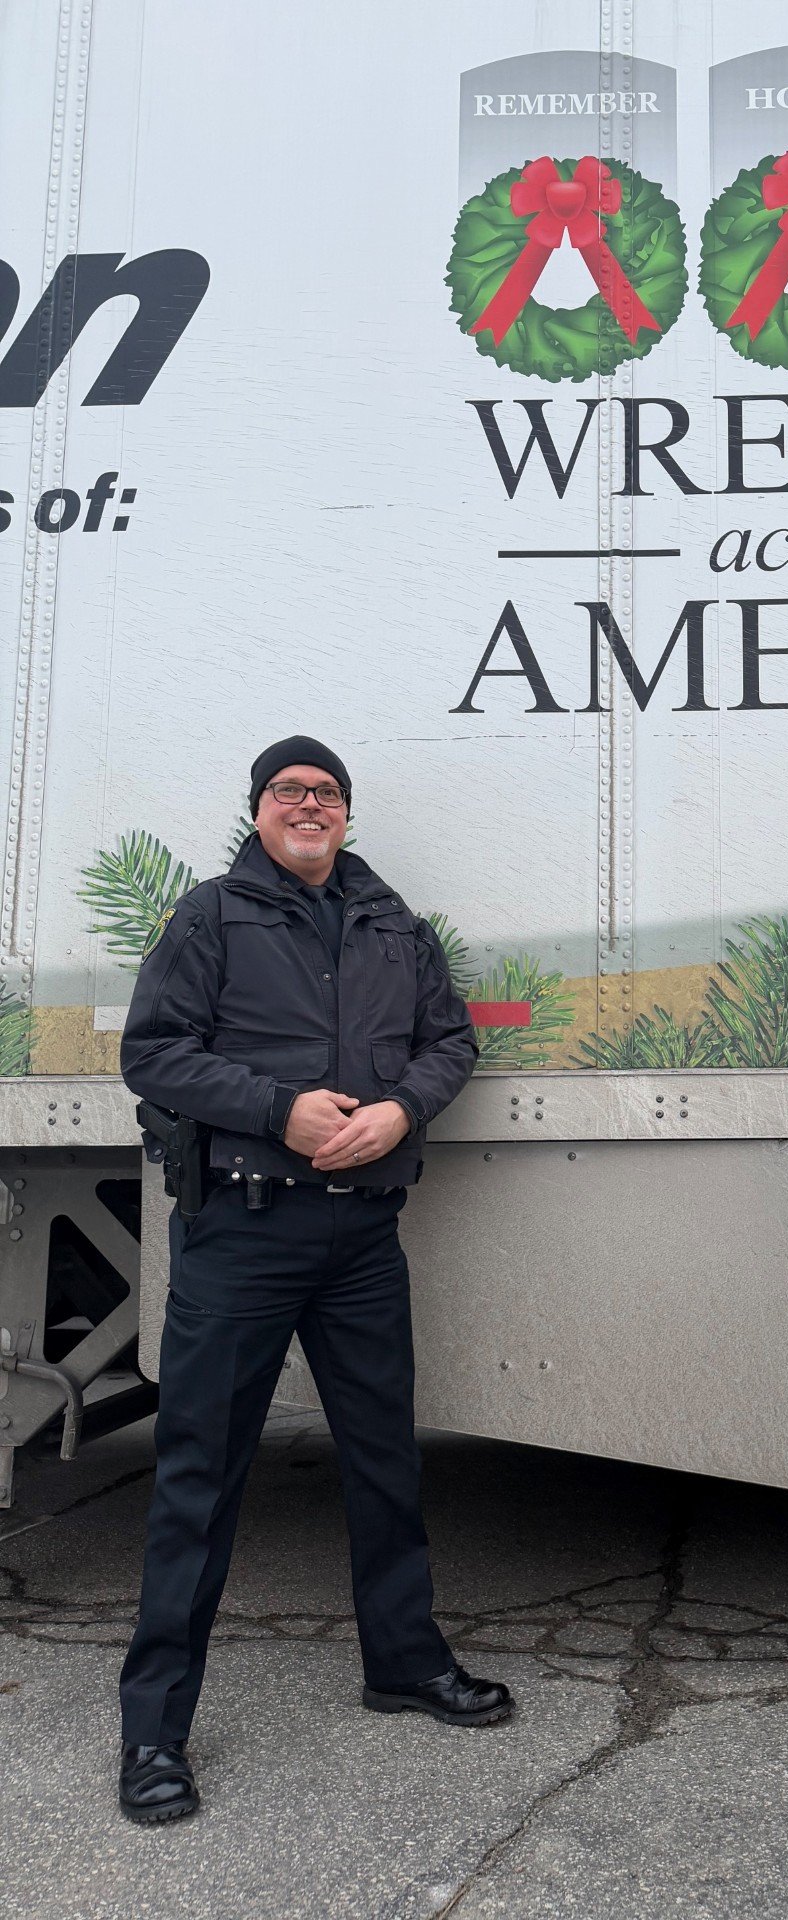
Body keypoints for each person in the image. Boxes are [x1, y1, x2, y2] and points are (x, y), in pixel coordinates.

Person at [115, 736, 509, 1824]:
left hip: (360, 1243)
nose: (308, 805)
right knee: (200, 1481)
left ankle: (404, 1662)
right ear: (257, 812)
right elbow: (153, 1053)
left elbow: (451, 1043)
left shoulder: (394, 926)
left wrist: (401, 1108)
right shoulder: (211, 917)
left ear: (346, 815)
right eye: (288, 791)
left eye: (326, 793)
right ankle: (153, 1732)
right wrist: (278, 1106)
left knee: (386, 1462)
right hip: (240, 1235)